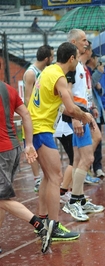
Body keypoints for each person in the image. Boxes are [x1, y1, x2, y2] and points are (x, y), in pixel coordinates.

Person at [27, 42, 93, 244]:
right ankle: (54, 226)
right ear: (72, 59)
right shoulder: (60, 77)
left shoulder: (48, 71)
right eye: (77, 58)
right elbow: (71, 109)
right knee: (55, 176)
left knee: (48, 178)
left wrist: (80, 113)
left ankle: (43, 220)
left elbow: (62, 108)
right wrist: (85, 117)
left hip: (36, 127)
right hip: (40, 128)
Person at [0, 81, 50, 254]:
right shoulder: (9, 89)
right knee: (2, 198)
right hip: (13, 149)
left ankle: (38, 224)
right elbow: (26, 115)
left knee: (2, 199)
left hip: (0, 152)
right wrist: (28, 144)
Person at [61, 29, 104, 222]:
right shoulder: (71, 66)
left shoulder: (79, 65)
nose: (87, 43)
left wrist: (89, 107)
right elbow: (67, 93)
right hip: (76, 114)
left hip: (81, 112)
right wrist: (76, 117)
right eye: (84, 40)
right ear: (74, 42)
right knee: (87, 158)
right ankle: (74, 200)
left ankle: (78, 200)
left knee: (80, 158)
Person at [23, 44, 54, 192]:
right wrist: (30, 119)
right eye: (52, 56)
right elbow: (27, 98)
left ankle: (43, 178)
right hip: (33, 118)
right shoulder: (31, 73)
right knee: (32, 147)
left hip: (42, 117)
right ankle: (37, 179)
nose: (53, 59)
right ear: (47, 58)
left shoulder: (43, 71)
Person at [86, 46, 105, 178]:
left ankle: (97, 166)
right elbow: (88, 84)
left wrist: (99, 87)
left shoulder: (91, 71)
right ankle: (88, 166)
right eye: (96, 58)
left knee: (98, 140)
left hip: (96, 111)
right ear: (91, 58)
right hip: (87, 112)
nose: (97, 61)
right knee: (91, 140)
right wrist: (98, 73)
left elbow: (100, 90)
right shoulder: (86, 70)